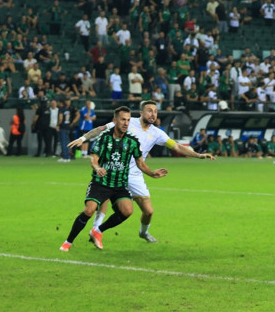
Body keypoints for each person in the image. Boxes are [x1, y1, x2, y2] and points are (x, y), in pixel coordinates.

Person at [69, 101, 215, 243]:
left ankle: (143, 232)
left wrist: (198, 155)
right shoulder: (127, 121)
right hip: (115, 169)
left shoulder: (157, 133)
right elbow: (101, 129)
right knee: (104, 198)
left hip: (135, 175)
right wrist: (83, 138)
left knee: (149, 211)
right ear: (141, 112)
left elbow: (176, 146)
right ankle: (96, 230)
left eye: (156, 111)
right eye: (150, 110)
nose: (153, 114)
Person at [59, 106, 167, 252]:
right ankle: (68, 241)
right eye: (123, 119)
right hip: (101, 182)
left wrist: (152, 173)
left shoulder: (132, 142)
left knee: (127, 211)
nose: (126, 123)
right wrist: (97, 168)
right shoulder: (104, 138)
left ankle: (98, 230)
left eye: (128, 120)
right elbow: (94, 159)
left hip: (119, 185)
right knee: (89, 210)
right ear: (115, 120)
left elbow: (140, 163)